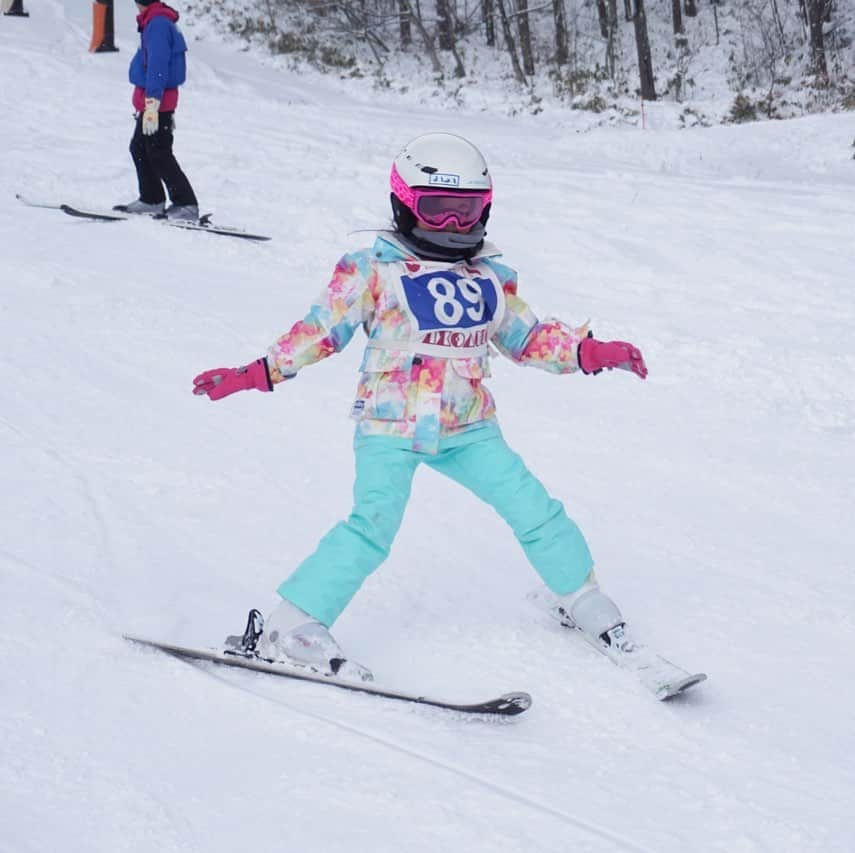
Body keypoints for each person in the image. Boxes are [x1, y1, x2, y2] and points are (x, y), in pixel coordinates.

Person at [193, 132, 648, 682]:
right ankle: (293, 625)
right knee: (372, 525)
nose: (454, 227)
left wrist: (589, 351)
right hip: (391, 423)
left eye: (466, 212)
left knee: (534, 509)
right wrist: (258, 371)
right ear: (404, 204)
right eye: (438, 211)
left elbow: (527, 337)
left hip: (469, 424)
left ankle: (581, 596)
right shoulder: (373, 269)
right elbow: (322, 331)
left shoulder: (489, 277)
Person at [121, 0, 198, 221]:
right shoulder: (155, 20)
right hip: (152, 101)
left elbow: (158, 65)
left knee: (158, 151)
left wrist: (152, 104)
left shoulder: (157, 24)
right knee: (140, 148)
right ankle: (151, 199)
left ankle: (186, 204)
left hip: (157, 102)